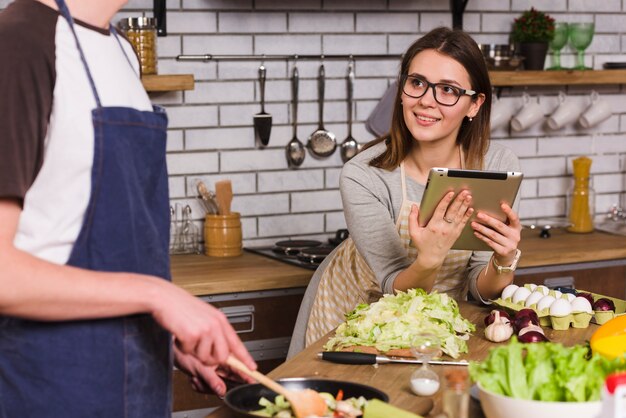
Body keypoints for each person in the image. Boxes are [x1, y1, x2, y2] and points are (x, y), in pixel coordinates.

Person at [0, 0, 256, 415]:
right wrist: (160, 297)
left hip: (139, 383)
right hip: (49, 387)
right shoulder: (20, 42)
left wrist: (166, 339)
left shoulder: (122, 51)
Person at [288, 27, 522, 358]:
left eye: (448, 90)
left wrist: (503, 259)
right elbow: (394, 286)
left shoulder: (497, 166)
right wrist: (429, 257)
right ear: (401, 90)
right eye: (417, 83)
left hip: (440, 322)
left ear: (474, 104)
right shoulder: (363, 174)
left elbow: (479, 288)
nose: (426, 100)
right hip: (358, 314)